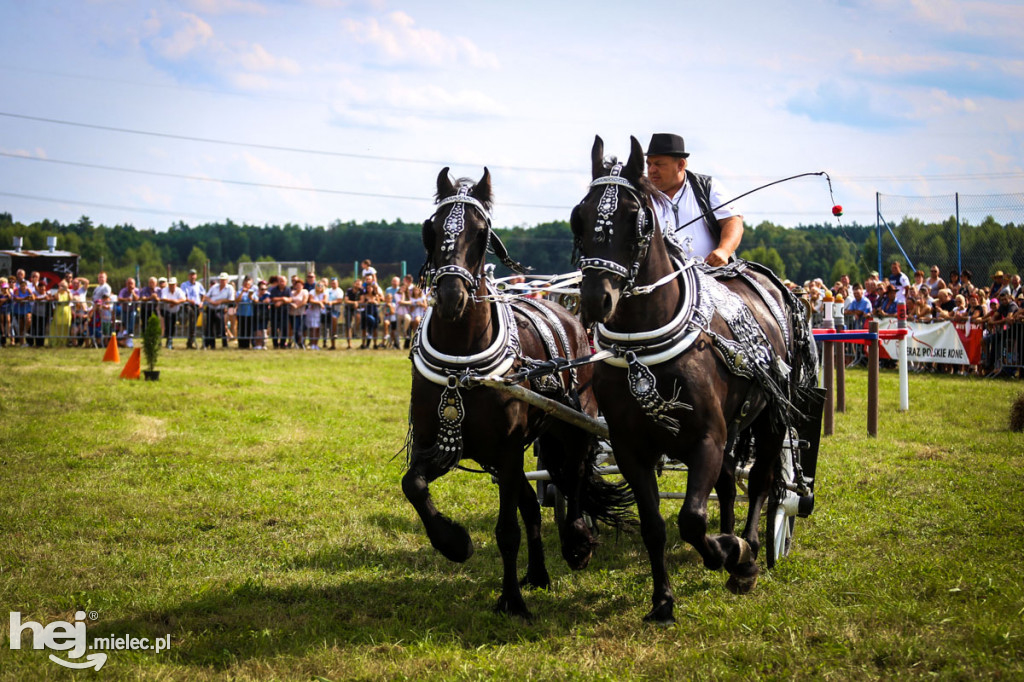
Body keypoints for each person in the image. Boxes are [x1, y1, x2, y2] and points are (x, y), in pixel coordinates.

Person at [644, 133, 742, 266]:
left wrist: (724, 251)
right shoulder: (641, 195)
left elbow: (732, 221)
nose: (651, 170)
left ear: (681, 165)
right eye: (649, 164)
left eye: (659, 164)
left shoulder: (708, 186)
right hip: (657, 280)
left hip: (711, 274)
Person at [180, 269, 205, 349]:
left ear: (196, 276)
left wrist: (201, 302)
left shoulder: (199, 285)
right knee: (192, 317)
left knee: (193, 322)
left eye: (194, 275)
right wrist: (189, 300)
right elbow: (183, 296)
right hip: (188, 305)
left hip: (197, 306)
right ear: (188, 276)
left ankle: (190, 340)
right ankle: (192, 336)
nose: (192, 276)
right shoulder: (184, 284)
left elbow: (203, 294)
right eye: (191, 275)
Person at [160, 277, 186, 348]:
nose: (171, 286)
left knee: (173, 326)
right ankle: (168, 340)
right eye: (170, 284)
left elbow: (183, 299)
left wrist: (175, 302)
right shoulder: (165, 290)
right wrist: (174, 301)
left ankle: (170, 341)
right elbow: (163, 298)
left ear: (176, 284)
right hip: (167, 311)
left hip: (175, 311)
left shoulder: (179, 290)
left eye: (173, 284)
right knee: (168, 325)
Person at [49, 280, 73, 347]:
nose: (62, 287)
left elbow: (71, 299)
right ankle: (56, 342)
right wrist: (59, 291)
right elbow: (57, 298)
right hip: (58, 311)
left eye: (64, 286)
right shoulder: (57, 292)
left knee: (65, 327)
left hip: (67, 311)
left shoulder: (69, 292)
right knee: (57, 327)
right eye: (61, 285)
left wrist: (67, 291)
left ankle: (64, 342)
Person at [235, 276, 256, 349]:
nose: (247, 285)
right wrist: (242, 292)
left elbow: (256, 301)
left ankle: (247, 345)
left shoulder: (253, 291)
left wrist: (251, 297)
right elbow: (237, 300)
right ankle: (241, 345)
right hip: (241, 314)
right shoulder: (239, 291)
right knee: (241, 329)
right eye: (245, 284)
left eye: (248, 284)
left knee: (249, 330)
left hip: (250, 314)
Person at [288, 277, 309, 349]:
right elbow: (289, 300)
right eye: (297, 285)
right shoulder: (292, 292)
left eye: (300, 285)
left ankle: (300, 342)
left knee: (300, 329)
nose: (298, 286)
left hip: (301, 314)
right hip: (292, 314)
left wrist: (297, 306)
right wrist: (291, 303)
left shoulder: (305, 291)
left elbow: (304, 301)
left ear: (302, 286)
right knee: (295, 329)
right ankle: (297, 343)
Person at [305, 280, 326, 350]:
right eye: (318, 285)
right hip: (312, 313)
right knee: (313, 329)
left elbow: (325, 300)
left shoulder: (324, 293)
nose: (319, 287)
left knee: (317, 329)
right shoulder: (312, 292)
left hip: (320, 313)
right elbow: (311, 300)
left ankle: (316, 344)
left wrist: (318, 302)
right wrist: (320, 303)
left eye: (321, 286)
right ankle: (312, 344)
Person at [344, 277, 363, 349]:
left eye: (359, 284)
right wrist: (354, 303)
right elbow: (346, 301)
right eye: (357, 284)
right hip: (348, 309)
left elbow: (362, 300)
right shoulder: (349, 290)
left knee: (358, 318)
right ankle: (349, 344)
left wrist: (356, 303)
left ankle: (354, 332)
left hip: (357, 309)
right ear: (353, 284)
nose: (358, 285)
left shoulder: (361, 291)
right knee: (348, 326)